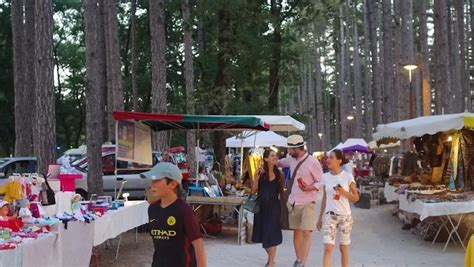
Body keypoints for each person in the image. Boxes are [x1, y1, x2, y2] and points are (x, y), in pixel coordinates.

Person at [141, 162, 207, 267]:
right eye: (151, 180)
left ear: (172, 184)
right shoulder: (152, 209)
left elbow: (198, 244)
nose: (151, 184)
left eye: (156, 180)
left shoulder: (184, 210)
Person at [278, 135, 323, 267]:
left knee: (306, 232)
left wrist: (310, 187)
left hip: (308, 202)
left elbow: (321, 181)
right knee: (296, 232)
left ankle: (302, 263)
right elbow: (279, 163)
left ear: (297, 148)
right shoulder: (291, 160)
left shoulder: (313, 162)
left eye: (290, 149)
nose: (288, 151)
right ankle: (298, 259)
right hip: (293, 202)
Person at [317, 149, 359, 267]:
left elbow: (356, 197)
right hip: (330, 216)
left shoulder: (347, 176)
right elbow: (325, 199)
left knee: (343, 248)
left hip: (345, 217)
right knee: (328, 248)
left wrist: (344, 193)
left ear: (339, 161)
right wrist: (320, 218)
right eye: (328, 157)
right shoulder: (325, 177)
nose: (328, 160)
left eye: (331, 158)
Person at [251, 149, 284, 267]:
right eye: (272, 156)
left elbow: (281, 191)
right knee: (263, 235)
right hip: (262, 207)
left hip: (274, 206)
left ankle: (270, 263)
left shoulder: (280, 174)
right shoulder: (260, 173)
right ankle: (271, 259)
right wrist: (255, 177)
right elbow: (254, 191)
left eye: (276, 155)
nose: (275, 157)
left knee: (272, 234)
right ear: (266, 159)